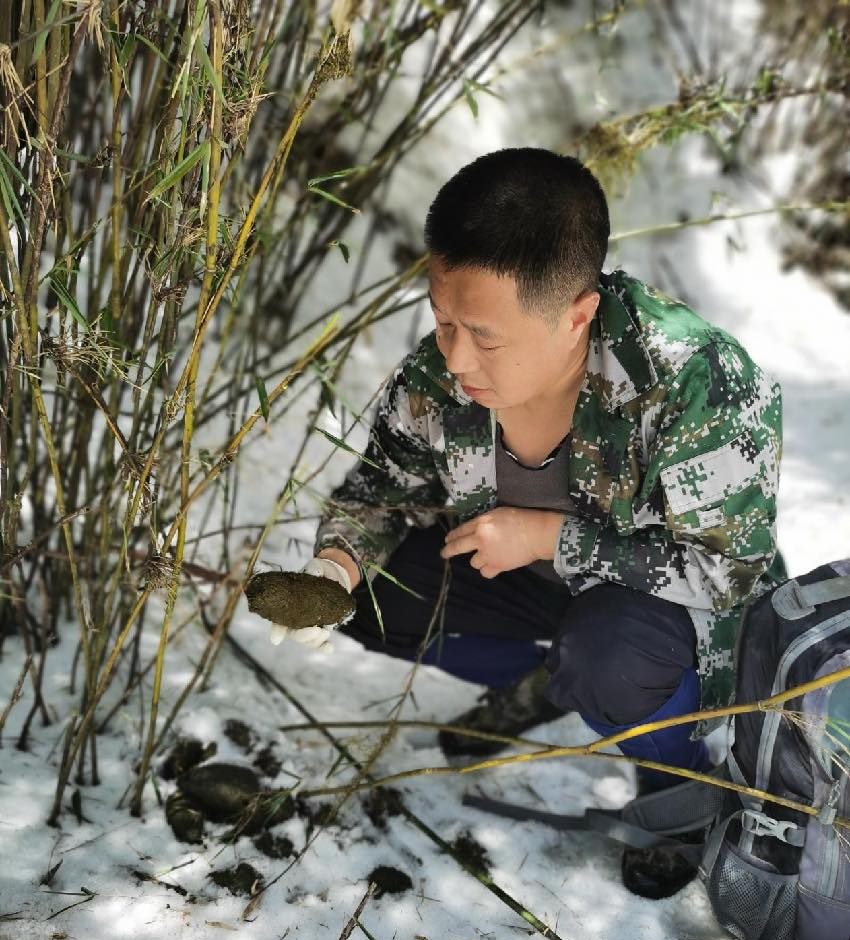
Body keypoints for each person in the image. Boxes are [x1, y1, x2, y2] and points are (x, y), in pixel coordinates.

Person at [273, 148, 783, 900]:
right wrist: (336, 567)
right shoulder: (438, 376)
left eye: (483, 335)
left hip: (674, 619)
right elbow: (380, 491)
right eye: (442, 320)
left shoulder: (695, 378)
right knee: (374, 593)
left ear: (575, 316)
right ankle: (549, 682)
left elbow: (726, 570)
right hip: (534, 585)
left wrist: (549, 538)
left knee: (605, 654)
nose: (453, 355)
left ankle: (678, 783)